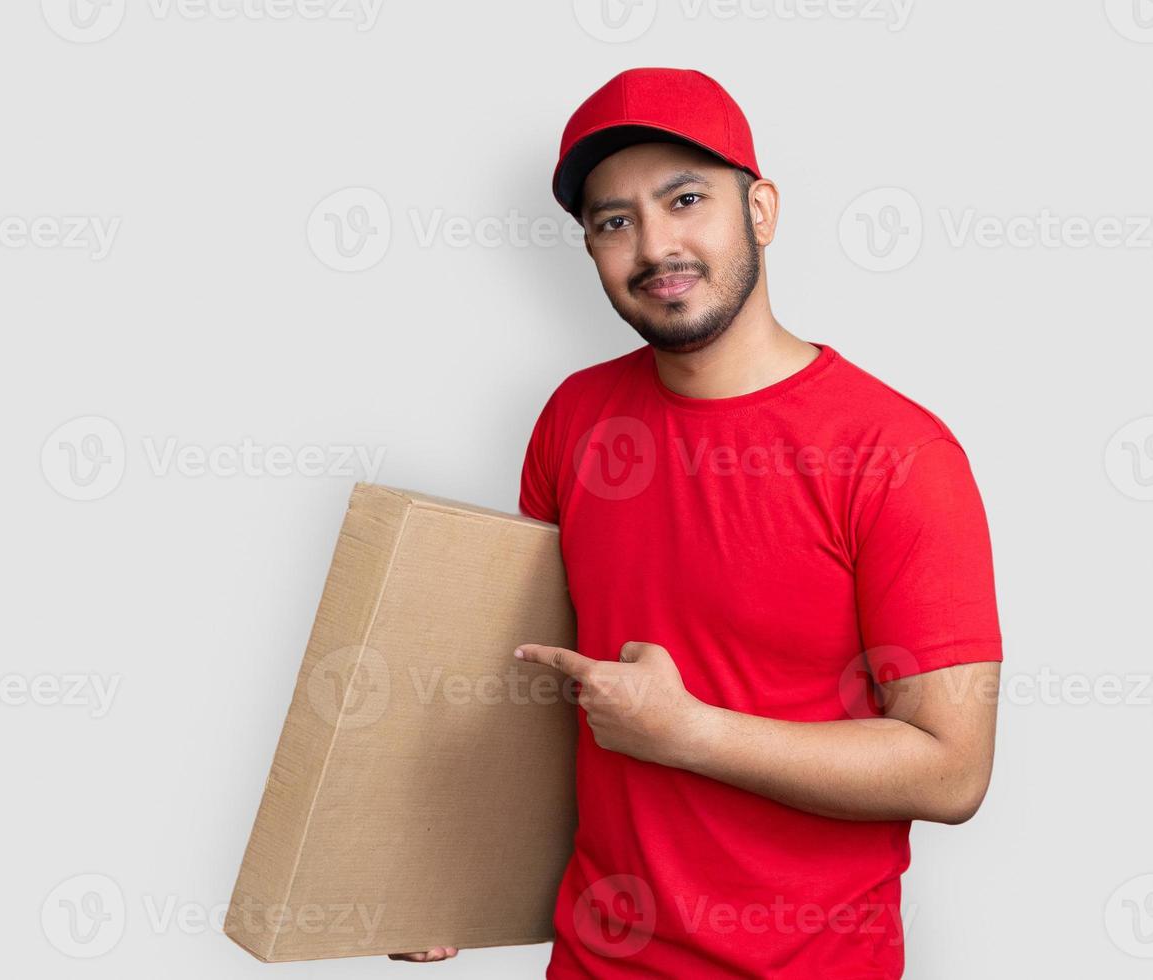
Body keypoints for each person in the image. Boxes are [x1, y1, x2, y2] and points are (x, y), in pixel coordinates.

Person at [391, 67, 1003, 978]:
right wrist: (451, 876)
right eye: (615, 220)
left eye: (685, 200)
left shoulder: (899, 454)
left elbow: (952, 772)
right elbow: (532, 686)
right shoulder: (573, 418)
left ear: (760, 210)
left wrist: (691, 734)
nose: (654, 246)